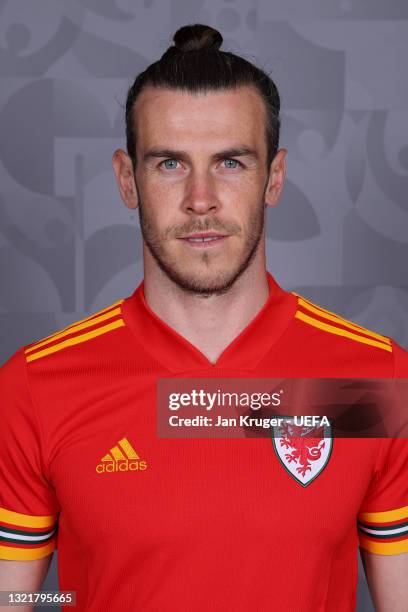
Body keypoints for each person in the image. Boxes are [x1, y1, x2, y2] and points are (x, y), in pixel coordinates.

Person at [0, 23, 407, 612]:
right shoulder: (34, 387)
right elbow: (17, 602)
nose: (200, 198)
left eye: (231, 163)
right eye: (169, 163)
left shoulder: (372, 380)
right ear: (126, 179)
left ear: (274, 177)